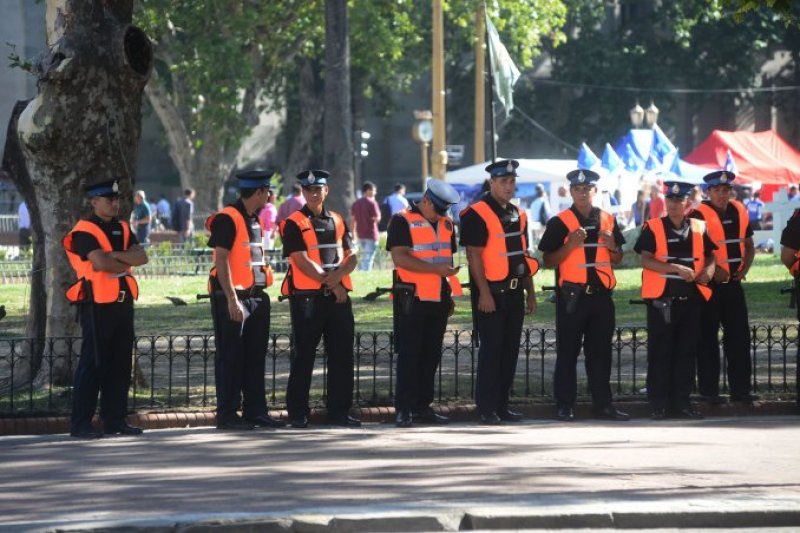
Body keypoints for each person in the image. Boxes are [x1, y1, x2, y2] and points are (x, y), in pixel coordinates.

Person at [538, 169, 629, 422]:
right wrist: (569, 245)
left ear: (595, 191)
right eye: (577, 189)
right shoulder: (560, 221)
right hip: (572, 297)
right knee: (568, 352)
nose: (582, 193)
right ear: (570, 192)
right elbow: (547, 260)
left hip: (601, 296)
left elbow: (619, 258)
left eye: (587, 189)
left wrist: (613, 248)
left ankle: (603, 405)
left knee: (601, 353)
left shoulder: (608, 220)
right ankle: (565, 404)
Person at [63, 179, 149, 438]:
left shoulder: (122, 227)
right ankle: (81, 423)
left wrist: (113, 256)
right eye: (108, 199)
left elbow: (142, 257)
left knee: (121, 364)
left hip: (122, 302)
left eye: (116, 199)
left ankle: (115, 420)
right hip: (96, 304)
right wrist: (121, 258)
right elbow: (99, 263)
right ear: (93, 202)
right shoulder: (84, 231)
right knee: (93, 363)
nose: (114, 203)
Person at [460, 159, 539, 425]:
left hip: (515, 292)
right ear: (492, 183)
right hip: (491, 293)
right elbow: (474, 257)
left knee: (510, 351)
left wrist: (530, 291)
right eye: (503, 181)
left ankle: (502, 406)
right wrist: (483, 293)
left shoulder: (518, 213)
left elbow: (522, 256)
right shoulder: (476, 213)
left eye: (512, 181)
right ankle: (486, 408)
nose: (508, 186)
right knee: (491, 352)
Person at [280, 169, 360, 428]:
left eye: (318, 189)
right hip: (308, 299)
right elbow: (301, 261)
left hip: (337, 298)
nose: (314, 194)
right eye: (309, 190)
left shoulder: (338, 219)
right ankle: (298, 413)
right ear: (302, 192)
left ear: (327, 191)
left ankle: (339, 412)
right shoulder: (293, 222)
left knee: (342, 355)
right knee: (304, 356)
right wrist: (332, 284)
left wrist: (337, 281)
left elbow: (351, 255)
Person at [206, 170, 284, 431]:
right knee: (231, 357)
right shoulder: (228, 218)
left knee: (255, 356)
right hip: (234, 298)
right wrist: (231, 299)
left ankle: (255, 411)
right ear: (259, 192)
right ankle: (227, 414)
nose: (270, 196)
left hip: (255, 297)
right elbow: (221, 259)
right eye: (268, 191)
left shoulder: (254, 219)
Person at [635, 181, 716, 420]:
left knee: (686, 353)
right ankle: (658, 404)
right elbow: (646, 260)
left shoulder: (700, 226)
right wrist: (674, 268)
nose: (674, 204)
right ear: (665, 201)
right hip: (662, 301)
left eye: (679, 200)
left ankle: (682, 402)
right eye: (670, 200)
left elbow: (711, 255)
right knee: (661, 353)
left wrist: (709, 271)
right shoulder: (653, 226)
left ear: (688, 203)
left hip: (691, 299)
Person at [388, 179, 462, 427]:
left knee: (430, 355)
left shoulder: (447, 223)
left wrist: (448, 291)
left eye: (445, 211)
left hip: (438, 298)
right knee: (410, 355)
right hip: (412, 298)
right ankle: (404, 409)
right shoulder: (402, 220)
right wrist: (435, 270)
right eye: (439, 209)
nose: (442, 215)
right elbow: (400, 258)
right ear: (427, 199)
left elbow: (445, 258)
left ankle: (423, 406)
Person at [689, 170, 757, 404]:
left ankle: (742, 391)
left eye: (725, 190)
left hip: (733, 286)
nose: (721, 194)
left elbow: (748, 244)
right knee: (706, 339)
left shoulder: (739, 209)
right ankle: (709, 393)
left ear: (731, 191)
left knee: (739, 338)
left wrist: (744, 270)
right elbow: (696, 250)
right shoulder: (697, 214)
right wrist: (714, 271)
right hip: (710, 287)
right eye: (716, 190)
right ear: (708, 192)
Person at [351, 181, 381, 271]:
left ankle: (362, 273)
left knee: (364, 257)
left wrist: (353, 233)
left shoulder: (356, 203)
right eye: (374, 190)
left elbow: (353, 220)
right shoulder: (372, 203)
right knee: (368, 259)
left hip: (360, 234)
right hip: (371, 234)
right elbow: (378, 218)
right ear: (368, 190)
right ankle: (365, 274)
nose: (375, 193)